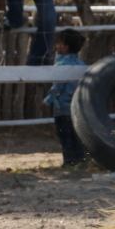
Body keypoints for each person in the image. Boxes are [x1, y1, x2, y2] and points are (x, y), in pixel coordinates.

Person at [43, 28, 88, 166]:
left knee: (65, 136)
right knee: (77, 135)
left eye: (59, 43)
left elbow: (57, 87)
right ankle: (81, 160)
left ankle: (69, 161)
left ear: (65, 47)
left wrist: (47, 100)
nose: (56, 46)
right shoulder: (82, 65)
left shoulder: (61, 65)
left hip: (62, 107)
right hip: (78, 107)